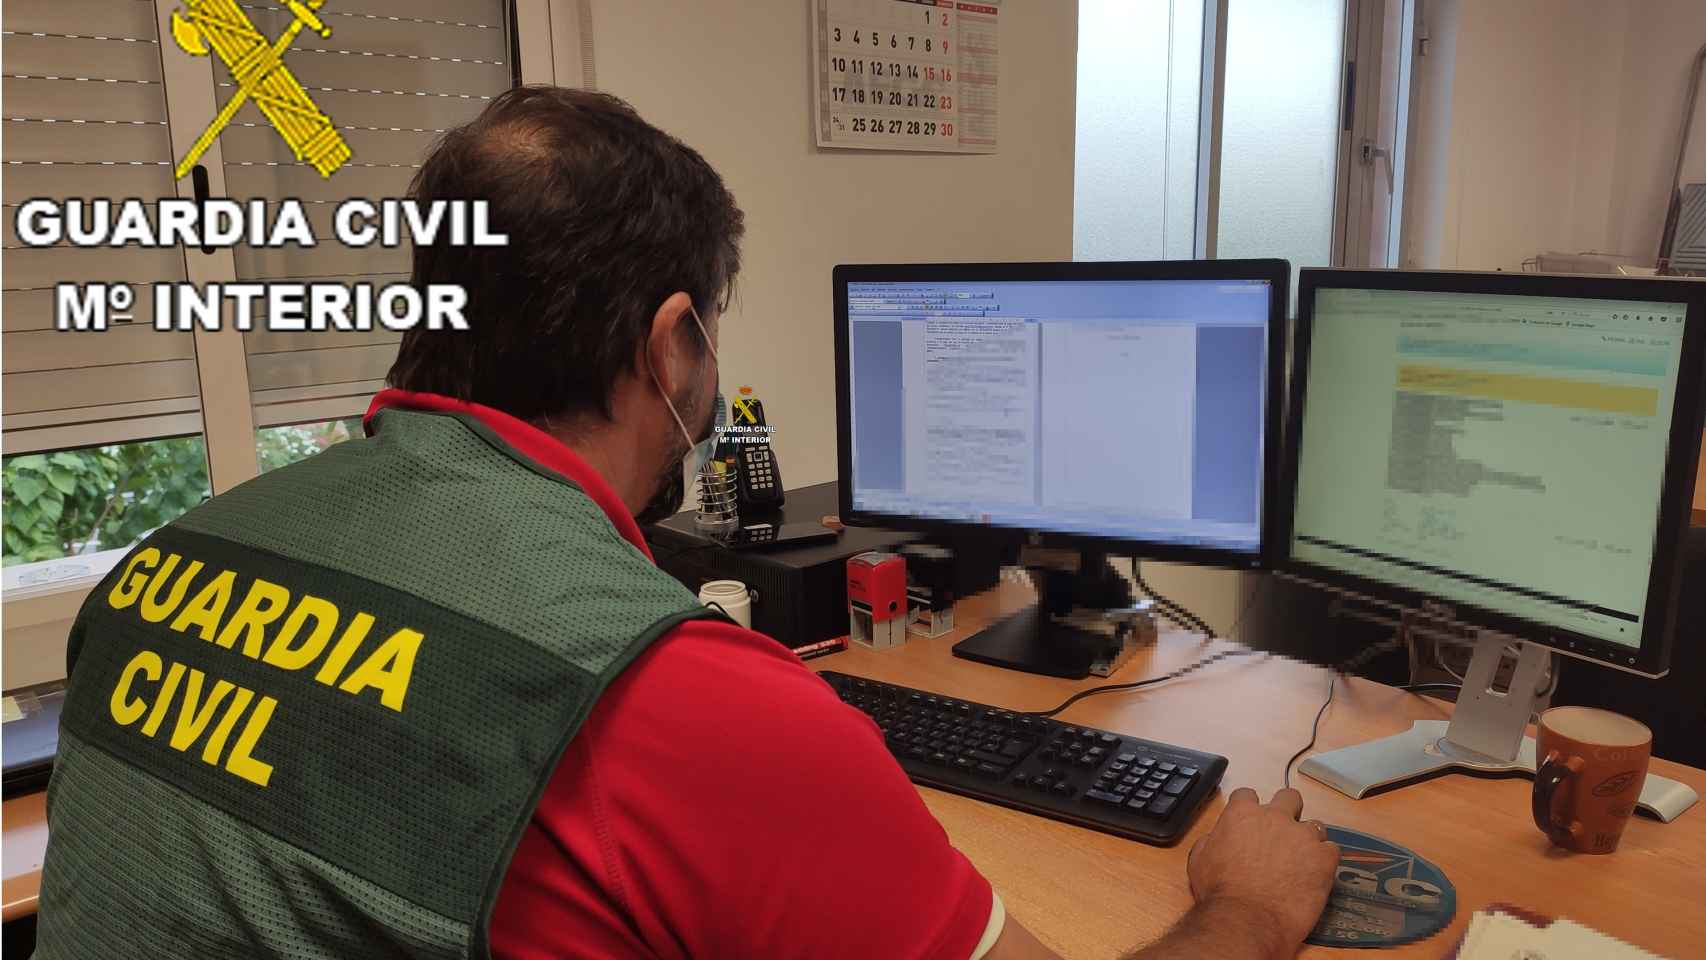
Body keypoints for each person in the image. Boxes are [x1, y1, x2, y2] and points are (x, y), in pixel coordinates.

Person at [34, 86, 1336, 959]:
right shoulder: (676, 695)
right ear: (671, 343)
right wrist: (1249, 906)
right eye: (711, 329)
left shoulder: (173, 561)